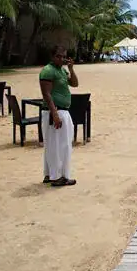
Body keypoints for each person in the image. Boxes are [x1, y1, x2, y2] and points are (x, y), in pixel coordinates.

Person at [39, 45, 78, 187]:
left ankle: (51, 174)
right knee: (58, 145)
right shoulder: (48, 71)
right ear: (52, 56)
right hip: (55, 111)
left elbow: (75, 84)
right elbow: (46, 94)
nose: (61, 59)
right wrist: (54, 113)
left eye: (63, 56)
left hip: (62, 110)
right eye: (58, 56)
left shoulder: (61, 70)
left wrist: (71, 69)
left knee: (58, 144)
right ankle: (57, 177)